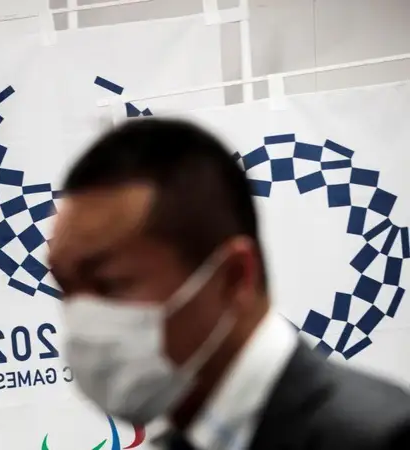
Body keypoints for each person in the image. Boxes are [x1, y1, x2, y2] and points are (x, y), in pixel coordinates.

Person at [48, 117, 410, 450]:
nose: (82, 319)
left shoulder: (377, 439)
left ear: (234, 277)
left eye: (110, 284)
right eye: (66, 289)